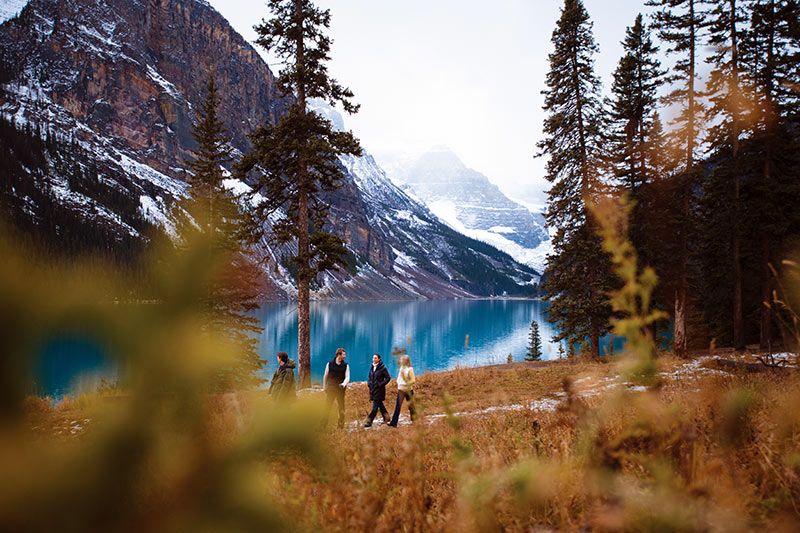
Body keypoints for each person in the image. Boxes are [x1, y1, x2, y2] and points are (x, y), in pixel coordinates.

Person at [323, 347, 349, 428]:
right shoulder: (329, 364)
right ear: (339, 355)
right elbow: (325, 376)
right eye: (344, 355)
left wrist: (344, 384)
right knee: (327, 407)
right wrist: (324, 387)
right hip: (331, 389)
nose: (345, 356)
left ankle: (341, 425)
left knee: (341, 407)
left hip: (340, 389)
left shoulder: (346, 365)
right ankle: (323, 425)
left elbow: (347, 377)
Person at [387, 354, 416, 427]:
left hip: (408, 390)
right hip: (401, 390)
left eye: (401, 359)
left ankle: (415, 420)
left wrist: (406, 384)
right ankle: (393, 423)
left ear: (405, 361)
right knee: (398, 406)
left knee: (411, 406)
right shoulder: (401, 368)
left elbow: (413, 380)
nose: (400, 360)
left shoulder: (410, 369)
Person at [364, 353, 391, 427]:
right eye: (373, 358)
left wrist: (380, 384)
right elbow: (370, 376)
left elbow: (388, 378)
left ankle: (369, 422)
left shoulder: (383, 368)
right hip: (373, 390)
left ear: (379, 359)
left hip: (379, 390)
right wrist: (369, 383)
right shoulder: (372, 367)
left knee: (375, 408)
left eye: (375, 358)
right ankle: (387, 418)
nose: (373, 359)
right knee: (380, 405)